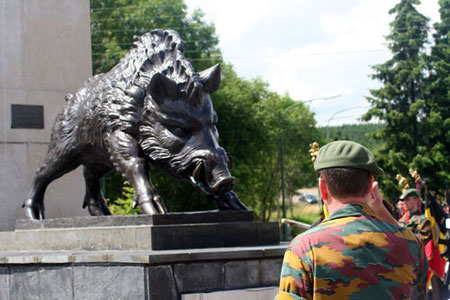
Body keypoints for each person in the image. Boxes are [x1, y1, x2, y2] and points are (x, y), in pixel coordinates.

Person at [275, 140, 428, 299]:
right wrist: (383, 212)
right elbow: (421, 276)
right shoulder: (410, 243)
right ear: (370, 187)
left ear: (322, 188)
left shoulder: (303, 248)